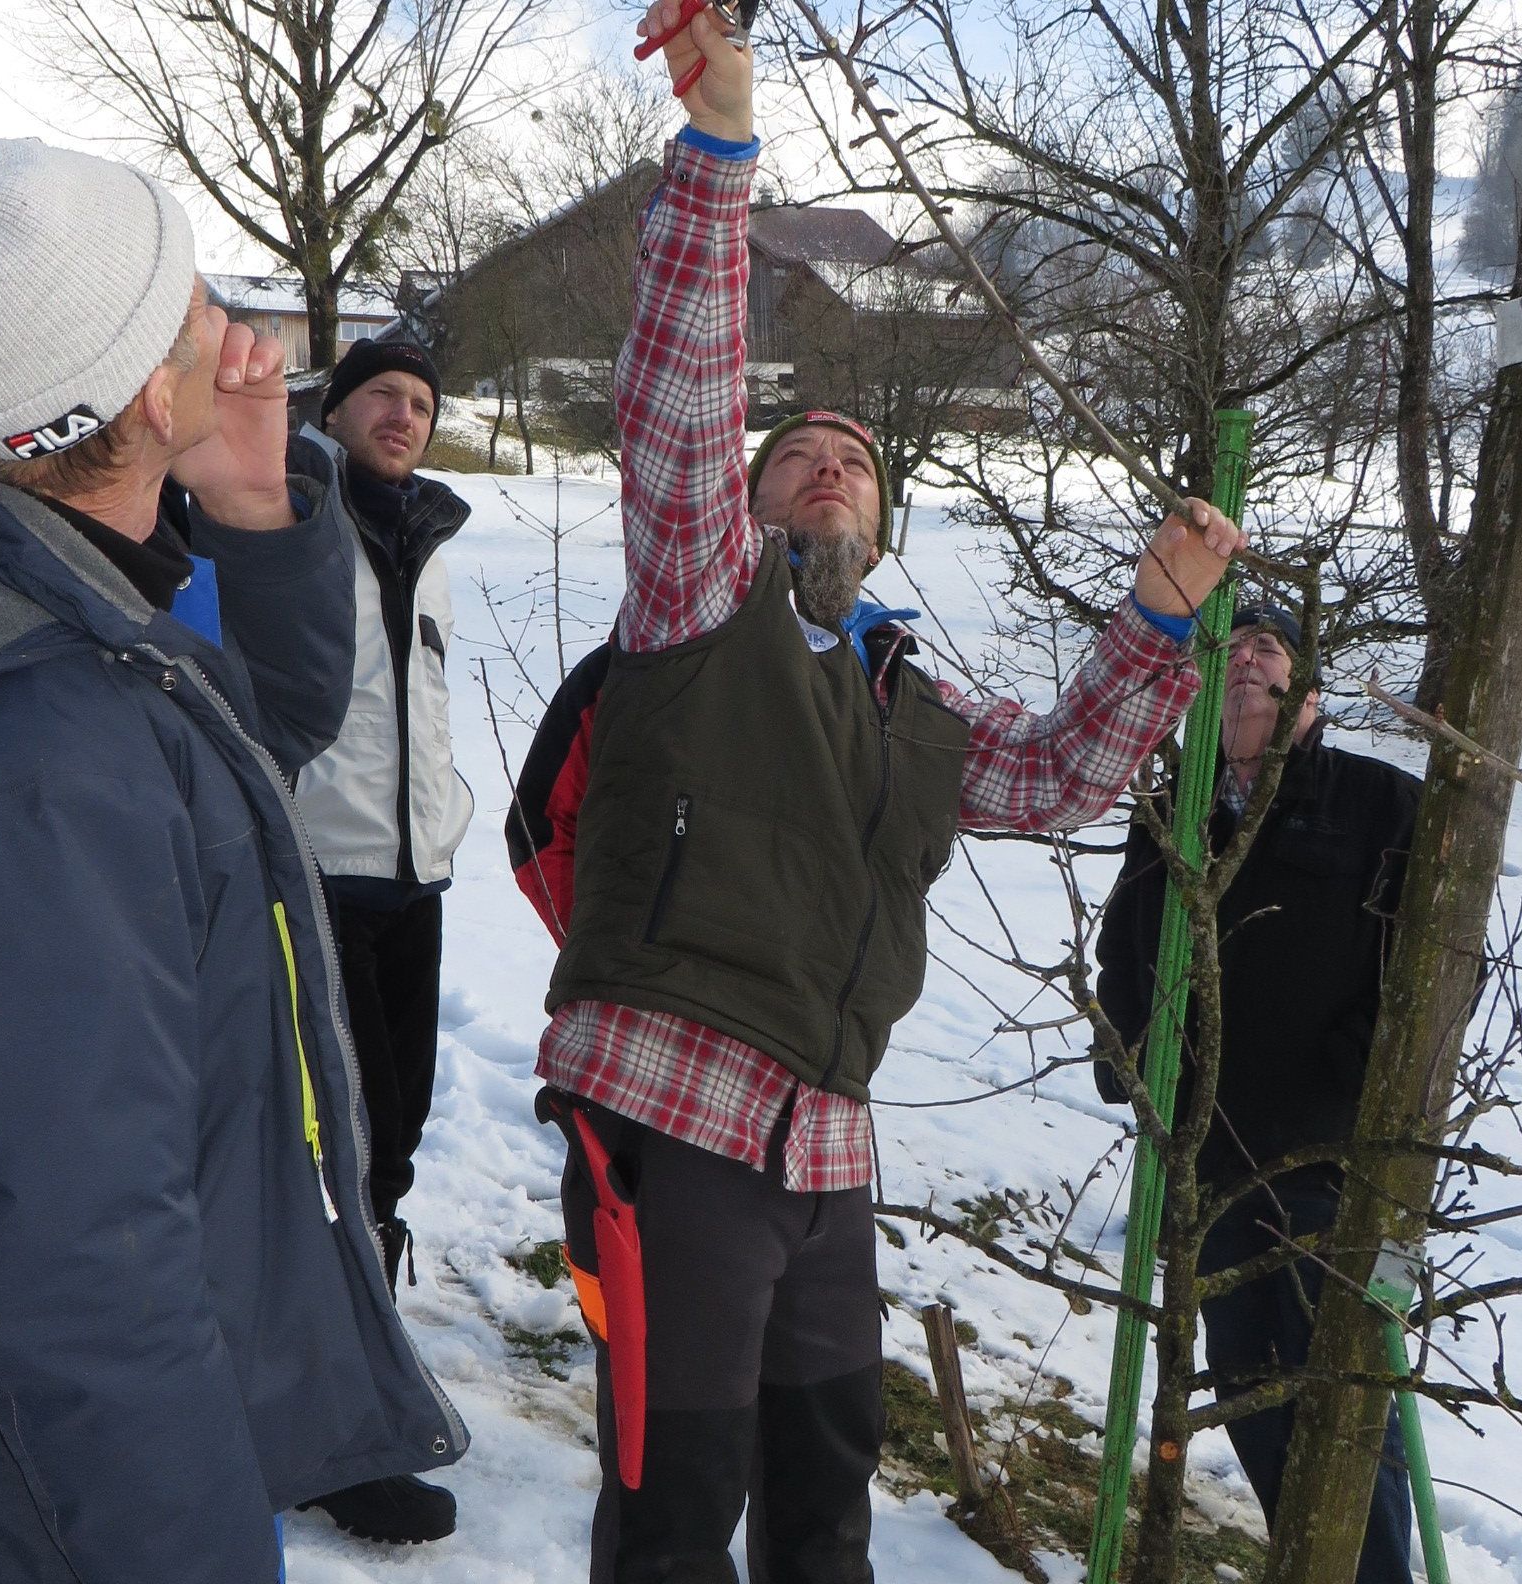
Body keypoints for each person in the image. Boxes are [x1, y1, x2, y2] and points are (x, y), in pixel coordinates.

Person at [531, 9, 1244, 1580]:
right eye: (799, 454)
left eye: (855, 459)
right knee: (673, 1505)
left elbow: (1062, 772)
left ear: (886, 519)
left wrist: (1161, 615)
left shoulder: (914, 709)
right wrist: (721, 143)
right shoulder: (697, 604)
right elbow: (677, 403)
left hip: (827, 1148)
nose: (829, 466)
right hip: (677, 1093)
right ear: (751, 496)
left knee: (825, 1504)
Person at [0, 138, 465, 1584]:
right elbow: (78, 1272)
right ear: (144, 393)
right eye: (196, 303)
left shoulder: (27, 600)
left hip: (80, 1455)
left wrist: (259, 508)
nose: (240, 335)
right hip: (74, 1514)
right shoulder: (44, 773)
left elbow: (247, 744)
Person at [1094, 606, 1424, 1582]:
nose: (1243, 665)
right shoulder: (1172, 813)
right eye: (1225, 654)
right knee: (1246, 1394)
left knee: (1350, 1413)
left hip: (1344, 1168)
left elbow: (1429, 972)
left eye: (1267, 651)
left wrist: (1353, 1089)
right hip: (1211, 1166)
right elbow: (1124, 954)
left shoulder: (1381, 804)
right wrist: (1133, 1064)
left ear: (1310, 693)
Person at [286, 337, 472, 1543]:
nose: (401, 417)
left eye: (420, 403)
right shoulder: (290, 509)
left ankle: (368, 1339)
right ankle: (330, 1409)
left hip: (415, 877)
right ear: (336, 409)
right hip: (316, 870)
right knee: (328, 1140)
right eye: (381, 397)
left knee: (392, 1128)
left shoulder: (437, 534)